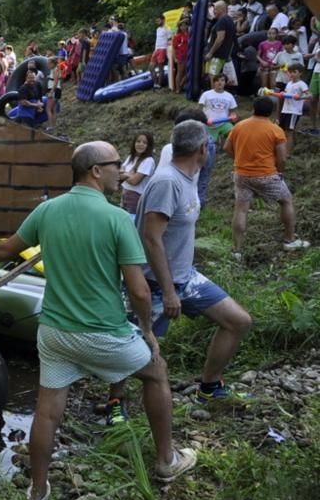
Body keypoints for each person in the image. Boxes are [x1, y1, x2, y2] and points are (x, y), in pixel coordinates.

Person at [0, 141, 196, 500]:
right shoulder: (117, 218)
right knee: (157, 372)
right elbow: (138, 289)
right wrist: (148, 330)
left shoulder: (48, 210)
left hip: (55, 332)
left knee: (48, 410)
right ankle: (167, 460)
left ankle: (37, 492)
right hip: (102, 332)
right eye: (115, 164)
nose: (122, 170)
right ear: (95, 171)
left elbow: (6, 250)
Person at [106, 122, 252, 423]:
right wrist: (169, 290)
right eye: (209, 146)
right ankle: (114, 402)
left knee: (238, 321)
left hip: (187, 277)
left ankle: (209, 386)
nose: (211, 150)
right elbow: (150, 237)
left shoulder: (189, 175)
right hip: (154, 283)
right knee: (131, 344)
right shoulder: (166, 182)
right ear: (202, 149)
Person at [224, 96, 310, 257]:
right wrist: (279, 172)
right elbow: (282, 157)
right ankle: (289, 240)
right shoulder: (275, 130)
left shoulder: (239, 126)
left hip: (241, 175)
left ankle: (236, 250)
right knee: (286, 201)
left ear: (253, 108)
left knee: (241, 209)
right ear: (271, 112)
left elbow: (227, 148)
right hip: (267, 175)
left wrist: (238, 160)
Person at [277, 64, 312, 154]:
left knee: (289, 131)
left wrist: (300, 98)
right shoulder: (289, 83)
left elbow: (309, 95)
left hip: (293, 111)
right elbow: (286, 93)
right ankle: (283, 150)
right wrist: (282, 94)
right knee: (283, 130)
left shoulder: (302, 84)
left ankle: (288, 153)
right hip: (285, 109)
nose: (291, 74)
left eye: (294, 72)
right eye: (290, 72)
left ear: (300, 73)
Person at [119, 132, 156, 215]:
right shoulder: (131, 157)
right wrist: (129, 174)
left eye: (144, 142)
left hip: (136, 197)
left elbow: (134, 181)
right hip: (125, 193)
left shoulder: (148, 161)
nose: (140, 144)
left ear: (149, 145)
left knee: (131, 222)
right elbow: (119, 171)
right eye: (138, 141)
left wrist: (124, 174)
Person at [204, 0, 238, 86]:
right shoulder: (229, 20)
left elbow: (220, 38)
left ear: (222, 9)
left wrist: (211, 53)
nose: (214, 11)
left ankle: (213, 97)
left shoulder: (222, 21)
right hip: (224, 54)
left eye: (215, 9)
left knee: (213, 76)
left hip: (217, 55)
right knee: (222, 79)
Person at [199, 74, 239, 142]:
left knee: (235, 135)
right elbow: (199, 110)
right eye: (217, 80)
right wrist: (204, 120)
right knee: (210, 145)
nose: (220, 82)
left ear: (225, 83)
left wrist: (233, 116)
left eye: (222, 80)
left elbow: (232, 111)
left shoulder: (229, 96)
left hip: (224, 123)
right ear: (214, 82)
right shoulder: (206, 94)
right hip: (209, 125)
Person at [170, 18, 190, 93]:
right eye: (182, 26)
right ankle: (178, 88)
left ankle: (182, 85)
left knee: (187, 71)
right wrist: (175, 57)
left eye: (185, 26)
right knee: (180, 72)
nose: (183, 27)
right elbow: (174, 48)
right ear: (179, 27)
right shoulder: (177, 36)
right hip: (180, 56)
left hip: (188, 55)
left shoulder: (189, 34)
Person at [151, 14, 171, 87]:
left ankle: (159, 84)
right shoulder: (157, 29)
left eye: (159, 20)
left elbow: (169, 40)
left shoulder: (167, 29)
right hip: (157, 49)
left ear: (163, 20)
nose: (157, 22)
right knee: (151, 67)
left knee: (160, 67)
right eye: (157, 21)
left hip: (163, 49)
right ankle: (155, 82)